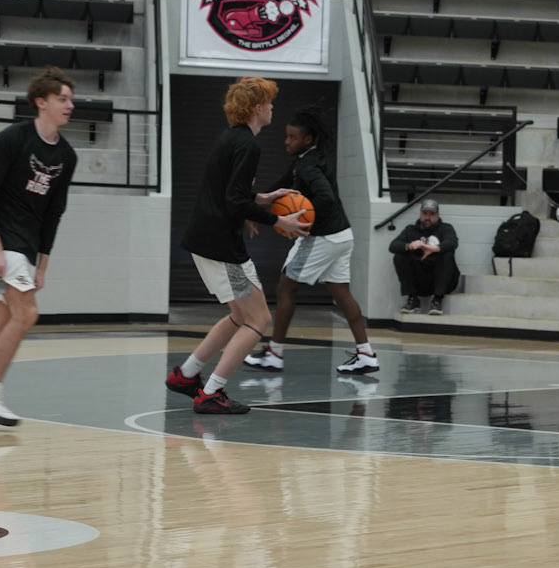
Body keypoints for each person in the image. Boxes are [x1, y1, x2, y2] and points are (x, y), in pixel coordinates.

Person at [166, 75, 309, 417]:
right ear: (258, 108)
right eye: (270, 103)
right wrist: (280, 221)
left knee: (238, 316)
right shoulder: (248, 145)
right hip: (220, 244)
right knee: (258, 319)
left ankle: (186, 375)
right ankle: (211, 393)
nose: (273, 108)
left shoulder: (232, 138)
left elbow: (230, 193)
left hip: (207, 239)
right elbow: (234, 202)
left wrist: (263, 197)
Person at [0, 67, 78, 427]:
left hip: (25, 249)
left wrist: (42, 265)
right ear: (41, 102)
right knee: (27, 314)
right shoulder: (12, 139)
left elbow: (54, 213)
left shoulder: (67, 156)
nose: (70, 105)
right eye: (62, 99)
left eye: (71, 99)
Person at [243, 105, 378, 375]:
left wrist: (300, 217)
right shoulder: (310, 158)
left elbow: (326, 198)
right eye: (286, 136)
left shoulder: (308, 167)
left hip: (322, 238)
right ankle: (366, 355)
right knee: (342, 294)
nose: (286, 141)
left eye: (292, 137)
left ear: (307, 139)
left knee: (286, 287)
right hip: (342, 235)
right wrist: (254, 207)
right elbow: (282, 185)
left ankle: (274, 354)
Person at [392, 200, 461, 314]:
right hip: (420, 280)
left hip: (441, 280)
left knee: (447, 254)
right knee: (399, 256)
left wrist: (434, 249)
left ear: (438, 215)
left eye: (432, 214)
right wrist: (409, 246)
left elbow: (453, 243)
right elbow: (393, 246)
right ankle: (413, 299)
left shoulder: (445, 228)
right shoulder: (411, 230)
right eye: (425, 213)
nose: (427, 217)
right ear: (420, 214)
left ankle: (437, 300)